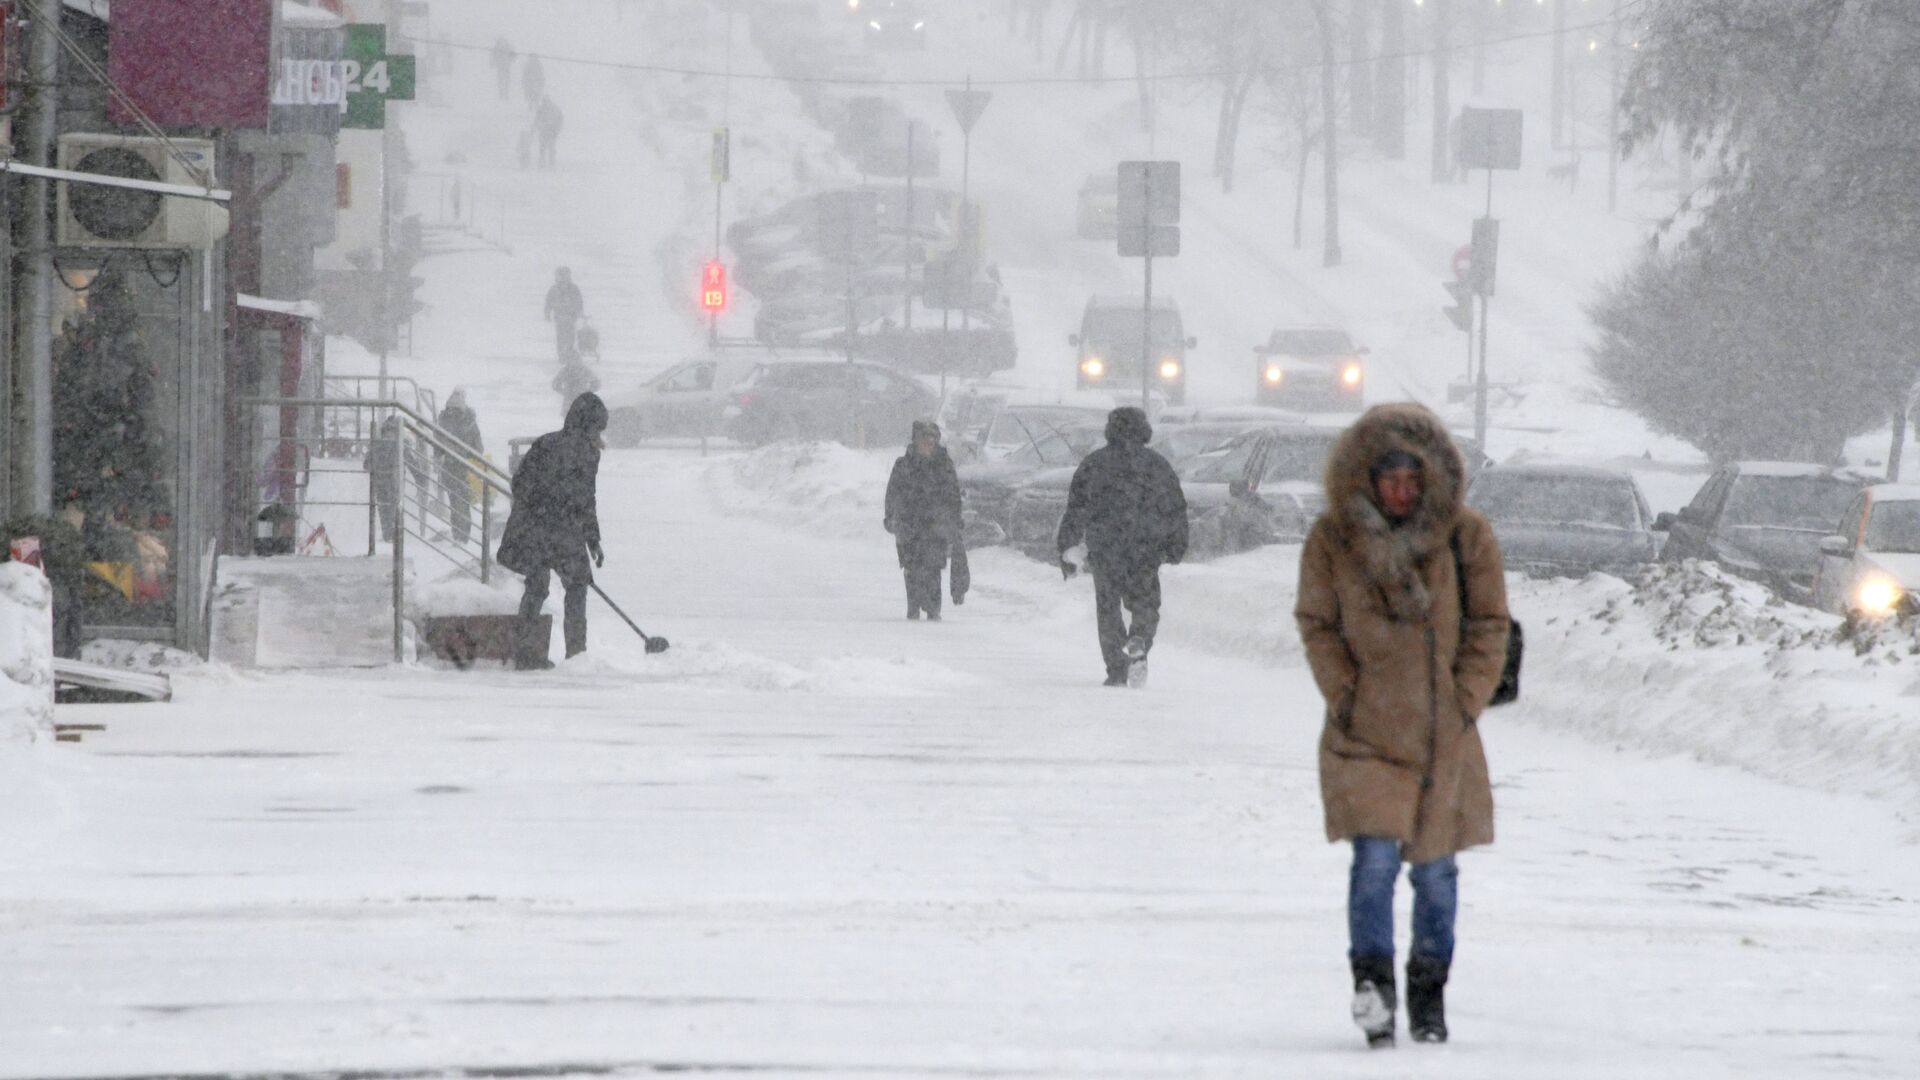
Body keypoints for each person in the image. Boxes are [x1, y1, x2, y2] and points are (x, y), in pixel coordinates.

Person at [1293, 403, 1511, 1049]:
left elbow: (1490, 625)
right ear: (1365, 476)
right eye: (1389, 478)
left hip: (1445, 737)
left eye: (1413, 479)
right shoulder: (1333, 539)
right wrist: (1346, 695)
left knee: (1438, 878)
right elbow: (1317, 623)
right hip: (1364, 736)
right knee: (1374, 863)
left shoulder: (1463, 535)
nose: (1401, 491)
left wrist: (1465, 699)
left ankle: (1428, 990)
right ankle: (1374, 990)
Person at [1054, 406, 1187, 687]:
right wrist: (1176, 544)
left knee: (1108, 607)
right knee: (1145, 604)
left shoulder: (1094, 464)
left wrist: (1067, 544)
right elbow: (1175, 507)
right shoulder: (1156, 465)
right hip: (1145, 548)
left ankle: (1116, 668)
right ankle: (1139, 639)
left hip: (1106, 547)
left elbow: (1077, 508)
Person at [496, 393, 607, 669]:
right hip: (562, 532)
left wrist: (591, 538)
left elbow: (520, 483)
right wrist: (590, 537)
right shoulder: (586, 452)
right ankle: (576, 655)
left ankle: (526, 654)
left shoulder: (547, 443)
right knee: (576, 588)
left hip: (537, 530)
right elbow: (585, 499)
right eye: (597, 428)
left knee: (536, 588)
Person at [883, 420, 963, 621]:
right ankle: (914, 607)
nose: (929, 441)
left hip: (936, 526)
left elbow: (954, 494)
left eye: (932, 437)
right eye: (924, 437)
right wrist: (891, 517)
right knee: (911, 567)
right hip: (909, 526)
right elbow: (892, 492)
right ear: (916, 440)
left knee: (934, 567)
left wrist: (955, 519)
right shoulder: (903, 465)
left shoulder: (944, 465)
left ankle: (933, 609)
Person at [436, 389, 484, 545]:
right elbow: (478, 448)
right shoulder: (468, 420)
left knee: (457, 502)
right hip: (461, 466)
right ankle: (461, 536)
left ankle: (459, 536)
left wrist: (440, 456)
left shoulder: (445, 419)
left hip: (453, 465)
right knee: (460, 502)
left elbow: (438, 442)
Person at [365, 414, 404, 544]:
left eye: (391, 432)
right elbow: (367, 463)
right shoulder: (399, 446)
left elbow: (367, 463)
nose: (389, 435)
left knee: (386, 507)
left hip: (383, 480)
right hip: (390, 480)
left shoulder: (378, 444)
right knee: (390, 507)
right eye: (388, 432)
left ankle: (389, 533)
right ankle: (391, 533)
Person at [544, 267, 584, 363]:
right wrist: (547, 313)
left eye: (564, 275)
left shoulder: (573, 288)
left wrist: (579, 311)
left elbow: (579, 301)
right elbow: (548, 301)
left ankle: (567, 354)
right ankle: (562, 355)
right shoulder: (554, 289)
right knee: (561, 336)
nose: (562, 277)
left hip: (570, 316)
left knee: (570, 336)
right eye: (560, 275)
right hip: (560, 316)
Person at [534, 95, 564, 169]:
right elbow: (560, 119)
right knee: (547, 147)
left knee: (545, 146)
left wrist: (536, 127)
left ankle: (546, 162)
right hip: (549, 130)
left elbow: (537, 119)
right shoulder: (553, 108)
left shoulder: (543, 109)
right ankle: (549, 162)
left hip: (549, 130)